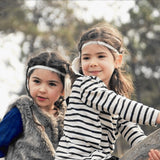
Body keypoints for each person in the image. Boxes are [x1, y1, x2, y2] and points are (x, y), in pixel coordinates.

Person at [55, 23, 160, 160]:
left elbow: (131, 130)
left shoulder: (115, 99)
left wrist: (149, 150)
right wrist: (157, 116)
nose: (92, 62)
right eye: (86, 58)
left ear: (117, 60)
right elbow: (120, 105)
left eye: (100, 56)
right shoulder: (85, 85)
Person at [0, 51, 72, 159]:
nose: (42, 90)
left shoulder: (70, 118)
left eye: (51, 84)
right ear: (28, 82)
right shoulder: (21, 112)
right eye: (37, 81)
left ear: (64, 89)